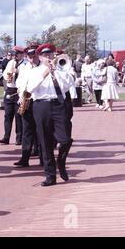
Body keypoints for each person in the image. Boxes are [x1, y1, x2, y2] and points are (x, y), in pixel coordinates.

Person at [26, 44, 74, 187]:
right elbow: (30, 88)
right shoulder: (34, 71)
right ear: (40, 56)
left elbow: (68, 85)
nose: (48, 57)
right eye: (45, 55)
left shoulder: (61, 69)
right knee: (45, 142)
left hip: (59, 104)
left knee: (65, 138)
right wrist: (45, 73)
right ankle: (50, 175)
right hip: (41, 105)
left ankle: (61, 161)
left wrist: (56, 72)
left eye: (50, 54)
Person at [14, 45, 41, 167]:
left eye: (33, 55)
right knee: (27, 131)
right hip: (27, 101)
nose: (31, 57)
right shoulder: (24, 68)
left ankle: (43, 158)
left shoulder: (43, 67)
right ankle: (25, 158)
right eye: (29, 55)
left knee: (41, 131)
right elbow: (19, 82)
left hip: (39, 101)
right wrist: (21, 94)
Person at [0, 46, 25, 145]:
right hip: (10, 89)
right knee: (8, 115)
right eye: (14, 54)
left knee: (18, 116)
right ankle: (6, 137)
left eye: (17, 54)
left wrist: (18, 72)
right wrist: (9, 75)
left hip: (18, 90)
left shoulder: (25, 64)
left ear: (22, 54)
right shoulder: (11, 62)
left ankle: (19, 138)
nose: (15, 56)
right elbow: (5, 73)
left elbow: (27, 75)